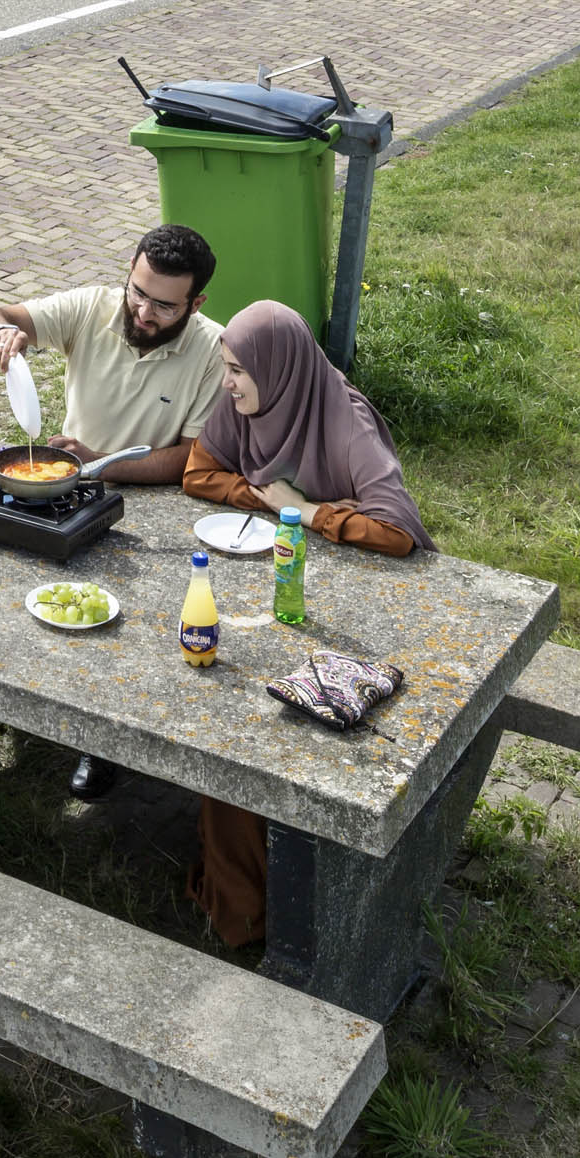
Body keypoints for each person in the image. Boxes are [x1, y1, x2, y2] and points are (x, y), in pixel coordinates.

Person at [179, 300, 437, 949]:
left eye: (239, 370)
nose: (228, 382)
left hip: (365, 617)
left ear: (281, 367)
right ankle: (246, 905)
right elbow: (199, 472)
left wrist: (311, 512)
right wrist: (265, 500)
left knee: (265, 735)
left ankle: (265, 909)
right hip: (282, 593)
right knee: (232, 715)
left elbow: (399, 531)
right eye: (227, 367)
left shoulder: (344, 421)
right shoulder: (247, 405)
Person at [0, 223, 228, 799]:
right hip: (66, 481)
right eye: (138, 291)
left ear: (196, 302)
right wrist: (4, 333)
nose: (144, 311)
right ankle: (5, 700)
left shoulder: (214, 349)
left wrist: (101, 463)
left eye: (164, 304)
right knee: (29, 596)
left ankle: (104, 746)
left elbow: (192, 458)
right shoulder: (94, 306)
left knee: (119, 632)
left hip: (152, 503)